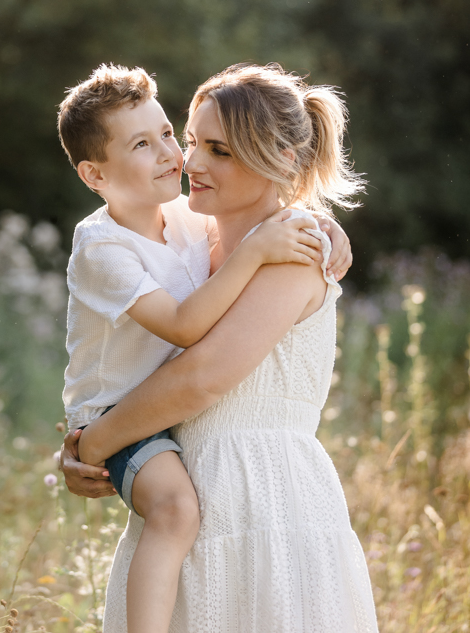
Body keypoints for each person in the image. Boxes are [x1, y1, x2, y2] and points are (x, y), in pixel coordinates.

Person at [62, 63, 378, 633]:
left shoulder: (293, 251)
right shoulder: (185, 239)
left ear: (281, 160)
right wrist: (95, 445)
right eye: (191, 141)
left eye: (220, 151)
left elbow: (200, 377)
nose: (192, 163)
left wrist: (96, 443)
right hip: (182, 500)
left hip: (265, 505)